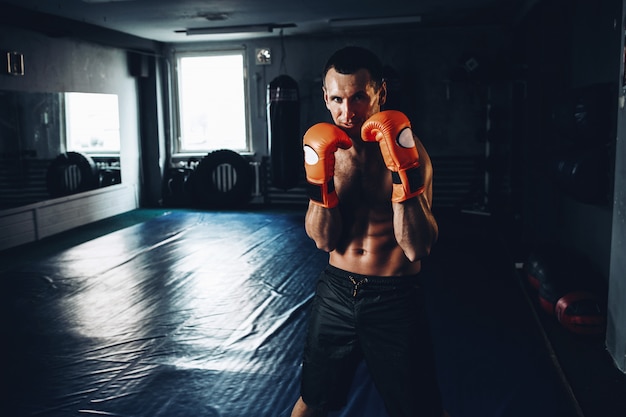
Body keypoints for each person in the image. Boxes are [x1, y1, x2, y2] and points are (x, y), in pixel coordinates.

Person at [290, 46, 448, 417]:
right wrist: (320, 186)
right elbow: (323, 239)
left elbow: (417, 247)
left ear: (380, 93)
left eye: (359, 97)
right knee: (313, 403)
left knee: (420, 410)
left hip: (394, 296)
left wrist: (402, 178)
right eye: (337, 100)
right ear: (325, 98)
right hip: (336, 291)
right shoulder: (323, 151)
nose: (348, 113)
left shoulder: (413, 154)